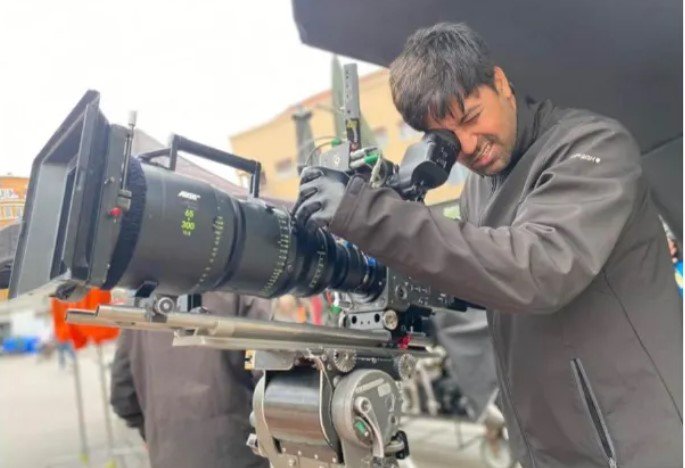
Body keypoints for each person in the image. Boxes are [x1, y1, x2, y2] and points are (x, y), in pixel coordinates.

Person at [293, 22, 682, 467]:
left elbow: (535, 269)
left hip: (635, 443)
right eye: (446, 138)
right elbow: (475, 274)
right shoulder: (477, 191)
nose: (469, 145)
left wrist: (372, 215)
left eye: (471, 117)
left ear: (500, 83)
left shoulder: (594, 146)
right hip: (548, 446)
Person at [110, 292, 270, 468]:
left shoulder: (142, 296)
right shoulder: (243, 286)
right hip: (237, 453)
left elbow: (123, 395)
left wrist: (156, 435)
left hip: (169, 455)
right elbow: (271, 380)